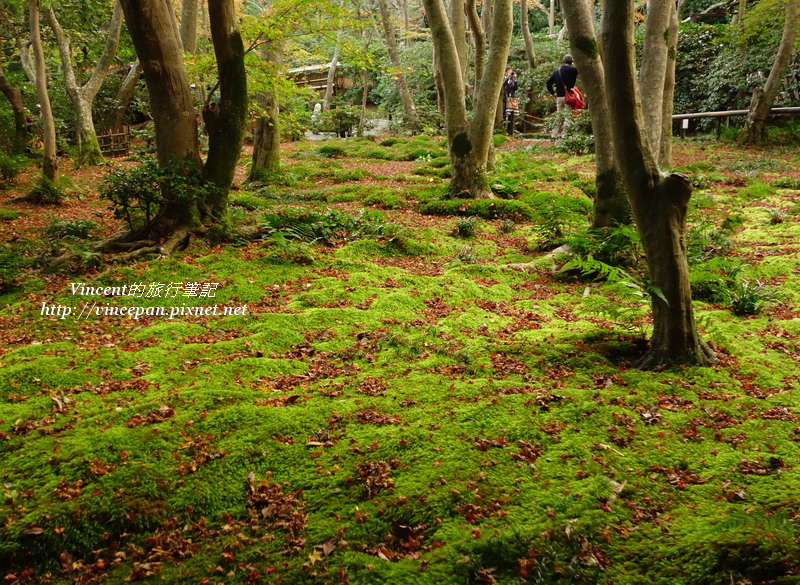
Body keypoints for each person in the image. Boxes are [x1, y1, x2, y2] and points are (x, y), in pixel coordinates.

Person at [546, 54, 579, 139]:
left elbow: (548, 83)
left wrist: (553, 93)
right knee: (568, 115)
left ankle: (554, 134)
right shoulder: (574, 70)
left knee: (558, 115)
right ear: (571, 61)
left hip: (559, 96)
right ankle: (565, 134)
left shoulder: (557, 71)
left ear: (563, 61)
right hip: (569, 96)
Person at [503, 70, 519, 135]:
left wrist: (515, 79)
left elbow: (516, 88)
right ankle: (503, 129)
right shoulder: (504, 78)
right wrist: (507, 78)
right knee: (504, 113)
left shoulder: (513, 80)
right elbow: (503, 85)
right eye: (509, 72)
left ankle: (510, 130)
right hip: (504, 98)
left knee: (511, 114)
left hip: (512, 98)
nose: (511, 74)